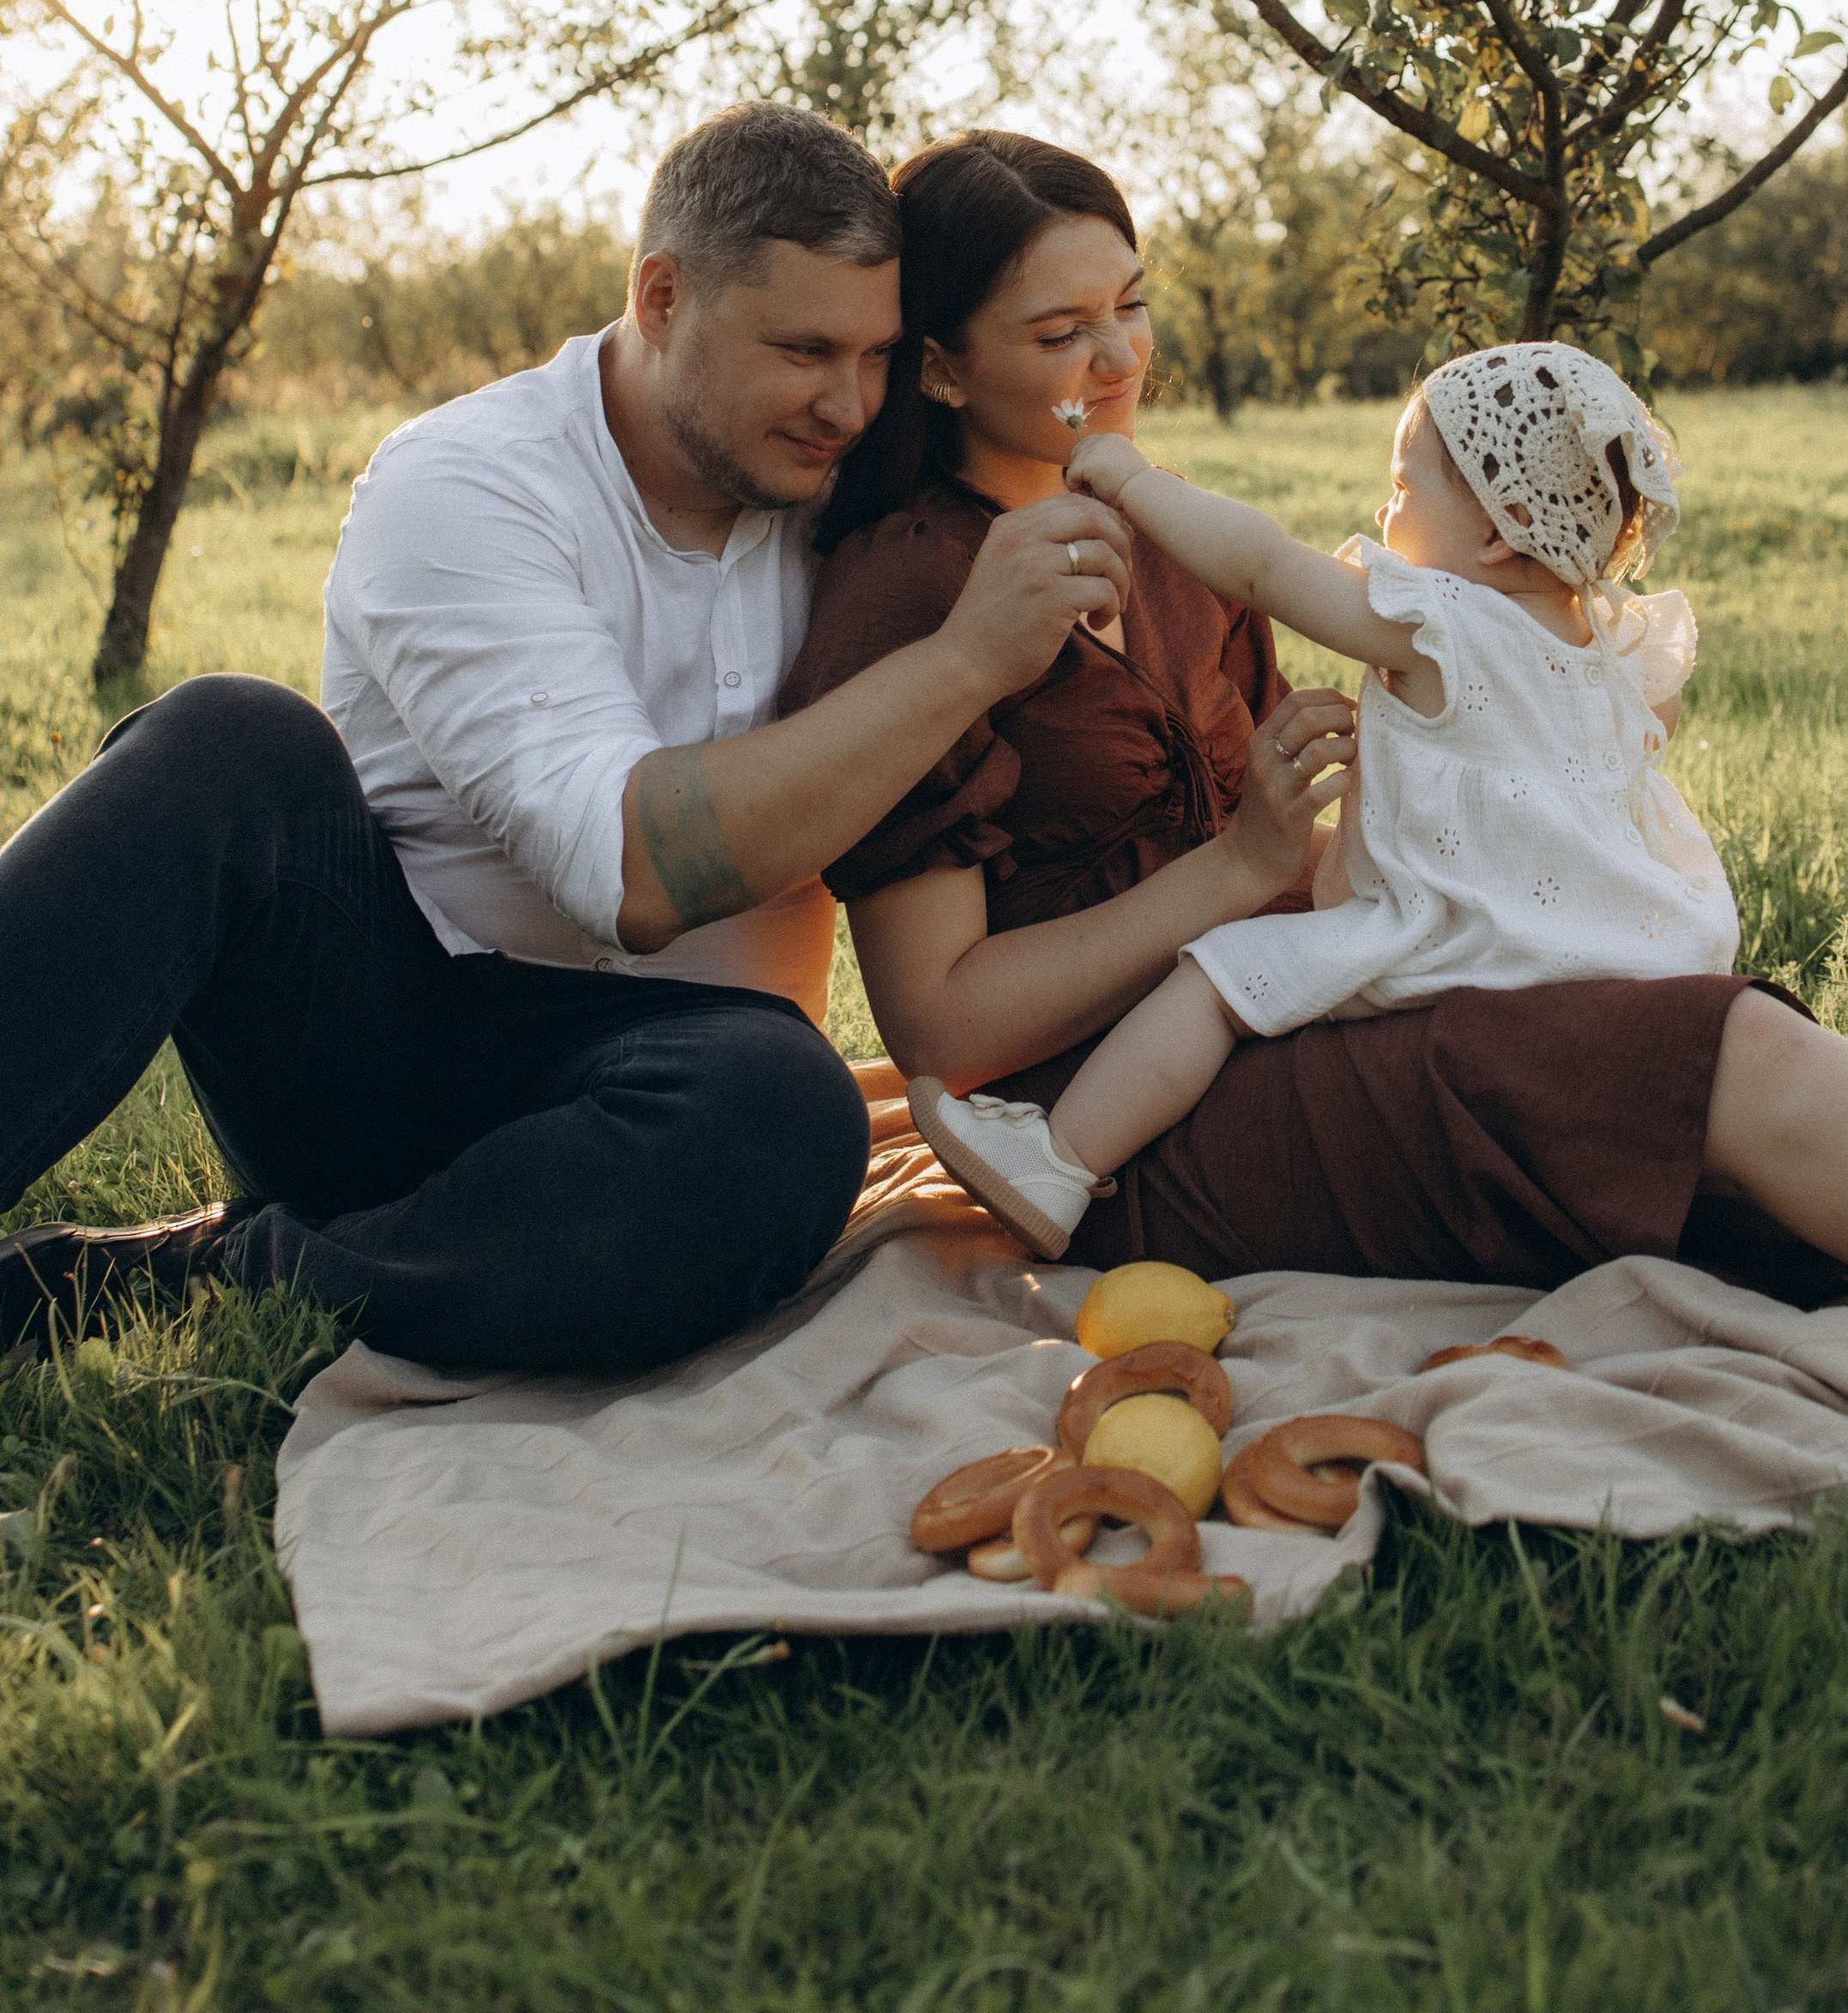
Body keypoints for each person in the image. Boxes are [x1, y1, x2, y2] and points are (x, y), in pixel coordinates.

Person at [785, 129, 1848, 1361]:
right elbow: (946, 1032)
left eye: (1133, 307)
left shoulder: (1180, 552)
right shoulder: (913, 590)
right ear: (944, 369)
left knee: (1739, 1135)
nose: (1118, 358)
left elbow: (1326, 840)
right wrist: (1235, 875)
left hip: (1302, 1003)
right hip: (1106, 1133)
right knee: (1722, 1071)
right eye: (1059, 334)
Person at [0, 104, 1134, 1374]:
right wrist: (966, 659)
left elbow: (1047, 411)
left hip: (676, 1098)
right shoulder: (470, 480)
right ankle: (369, 1241)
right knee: (229, 740)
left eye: (875, 355)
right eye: (805, 349)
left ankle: (208, 1277)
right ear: (660, 298)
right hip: (387, 1049)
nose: (847, 403)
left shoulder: (847, 493)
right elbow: (629, 875)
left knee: (787, 1110)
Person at [909, 342, 1736, 1254]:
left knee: (1221, 979)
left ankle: (1057, 1162)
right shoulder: (1617, 647)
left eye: (1404, 487)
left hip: (1466, 938)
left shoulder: (1438, 627)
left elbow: (1262, 567)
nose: (1385, 512)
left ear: (1500, 531)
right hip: (1624, 950)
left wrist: (1136, 482)